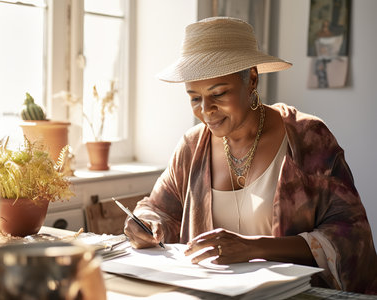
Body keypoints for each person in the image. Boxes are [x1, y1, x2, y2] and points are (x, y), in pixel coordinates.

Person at [123, 17, 377, 294]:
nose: (206, 110)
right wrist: (146, 223)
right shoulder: (191, 147)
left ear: (252, 79)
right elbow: (158, 209)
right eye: (195, 97)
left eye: (218, 93)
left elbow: (351, 235)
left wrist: (253, 247)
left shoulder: (307, 139)